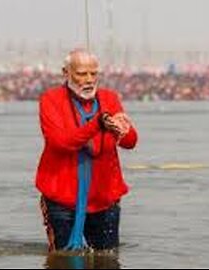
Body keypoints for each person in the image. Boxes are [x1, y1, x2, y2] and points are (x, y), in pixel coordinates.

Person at [35, 48, 138, 252]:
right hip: (61, 197)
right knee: (63, 259)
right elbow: (61, 143)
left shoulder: (109, 98)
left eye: (93, 73)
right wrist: (99, 123)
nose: (89, 79)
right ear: (66, 73)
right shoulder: (50, 100)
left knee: (107, 258)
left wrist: (124, 131)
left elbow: (130, 142)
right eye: (82, 74)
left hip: (105, 195)